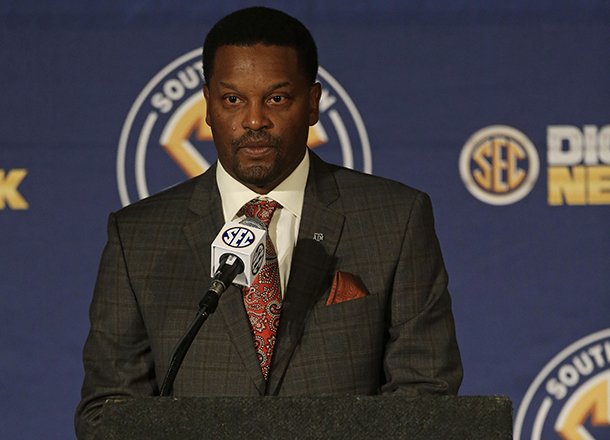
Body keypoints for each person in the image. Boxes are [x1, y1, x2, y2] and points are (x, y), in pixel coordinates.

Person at [75, 6, 462, 439]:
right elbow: (107, 413)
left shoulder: (395, 219)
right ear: (207, 106)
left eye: (276, 98)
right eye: (233, 99)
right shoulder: (138, 237)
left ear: (312, 103)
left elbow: (426, 395)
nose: (254, 120)